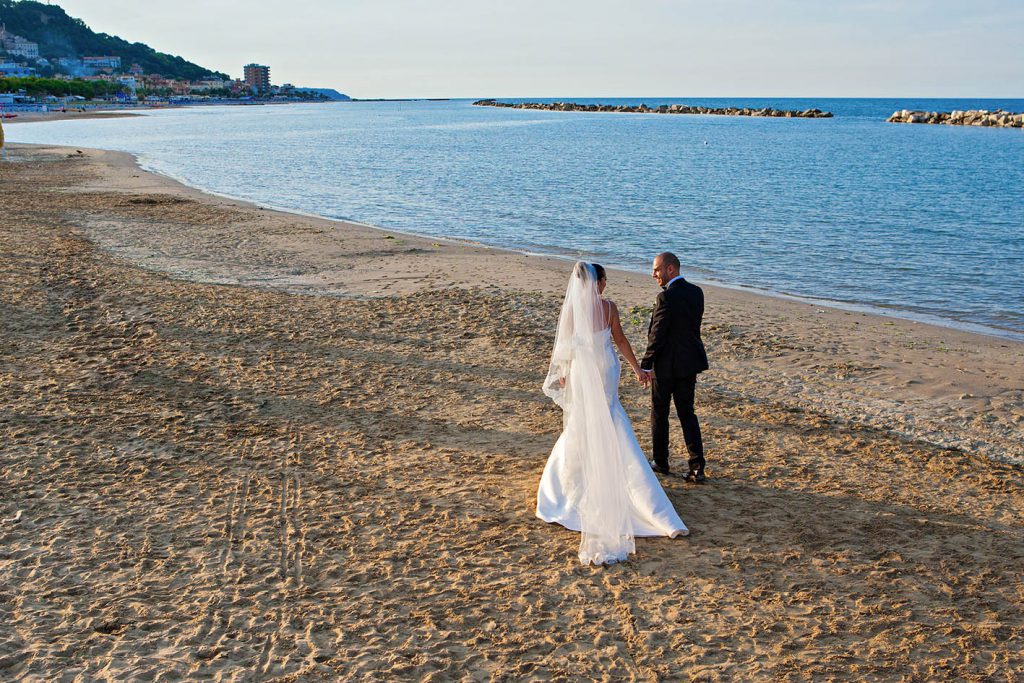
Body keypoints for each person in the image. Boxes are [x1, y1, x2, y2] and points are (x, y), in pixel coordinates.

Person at [537, 262, 687, 566]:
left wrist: (565, 372)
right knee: (609, 416)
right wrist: (637, 369)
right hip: (605, 368)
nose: (604, 285)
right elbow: (619, 340)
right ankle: (635, 494)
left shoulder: (571, 310)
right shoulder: (608, 308)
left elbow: (563, 347)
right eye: (603, 280)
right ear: (599, 281)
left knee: (583, 419)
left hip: (581, 369)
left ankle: (572, 487)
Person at [640, 252, 709, 482]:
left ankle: (660, 461)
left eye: (656, 270)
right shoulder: (696, 292)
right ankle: (697, 466)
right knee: (687, 413)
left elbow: (657, 333)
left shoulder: (665, 298)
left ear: (671, 269)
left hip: (666, 365)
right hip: (689, 363)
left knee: (659, 413)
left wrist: (647, 363)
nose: (653, 275)